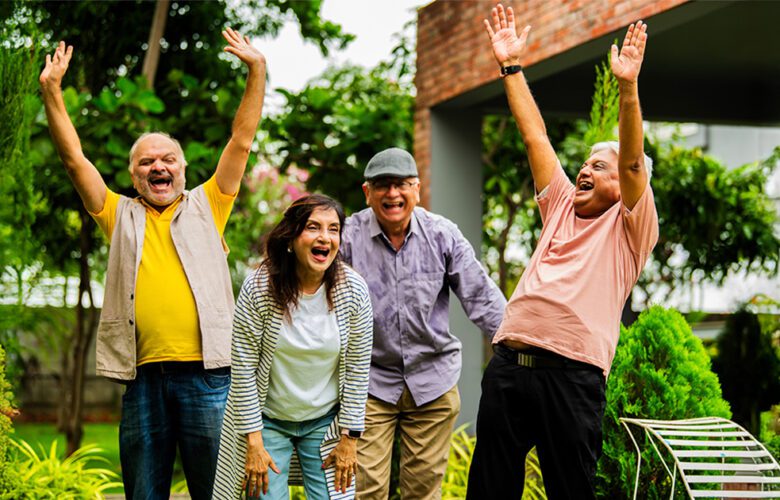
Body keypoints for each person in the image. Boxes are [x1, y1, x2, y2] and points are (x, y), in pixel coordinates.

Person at [38, 28, 266, 498]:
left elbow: (241, 141)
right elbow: (73, 158)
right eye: (146, 162)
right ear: (133, 175)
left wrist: (257, 70)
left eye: (168, 159)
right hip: (142, 382)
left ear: (183, 169)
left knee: (218, 491)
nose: (157, 166)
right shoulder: (117, 213)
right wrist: (52, 91)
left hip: (208, 377)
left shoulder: (210, 203)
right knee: (144, 492)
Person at [467, 5, 659, 499]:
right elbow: (535, 135)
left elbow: (634, 159)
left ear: (625, 186)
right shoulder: (558, 207)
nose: (585, 170)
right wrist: (510, 67)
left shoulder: (629, 229)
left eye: (600, 165)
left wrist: (628, 88)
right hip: (510, 369)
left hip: (571, 381)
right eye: (585, 163)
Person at [340, 148, 507, 499]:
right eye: (382, 185)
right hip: (369, 383)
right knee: (364, 490)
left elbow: (481, 296)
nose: (392, 194)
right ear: (367, 192)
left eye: (401, 184)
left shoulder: (442, 235)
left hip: (432, 382)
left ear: (417, 189)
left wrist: (519, 344)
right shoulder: (346, 236)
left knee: (422, 492)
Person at [212, 194, 373, 499]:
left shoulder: (353, 290)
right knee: (263, 494)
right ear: (292, 237)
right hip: (267, 420)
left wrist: (349, 438)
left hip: (325, 422)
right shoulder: (260, 287)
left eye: (333, 229)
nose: (324, 237)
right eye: (313, 227)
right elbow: (244, 367)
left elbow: (357, 369)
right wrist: (254, 441)